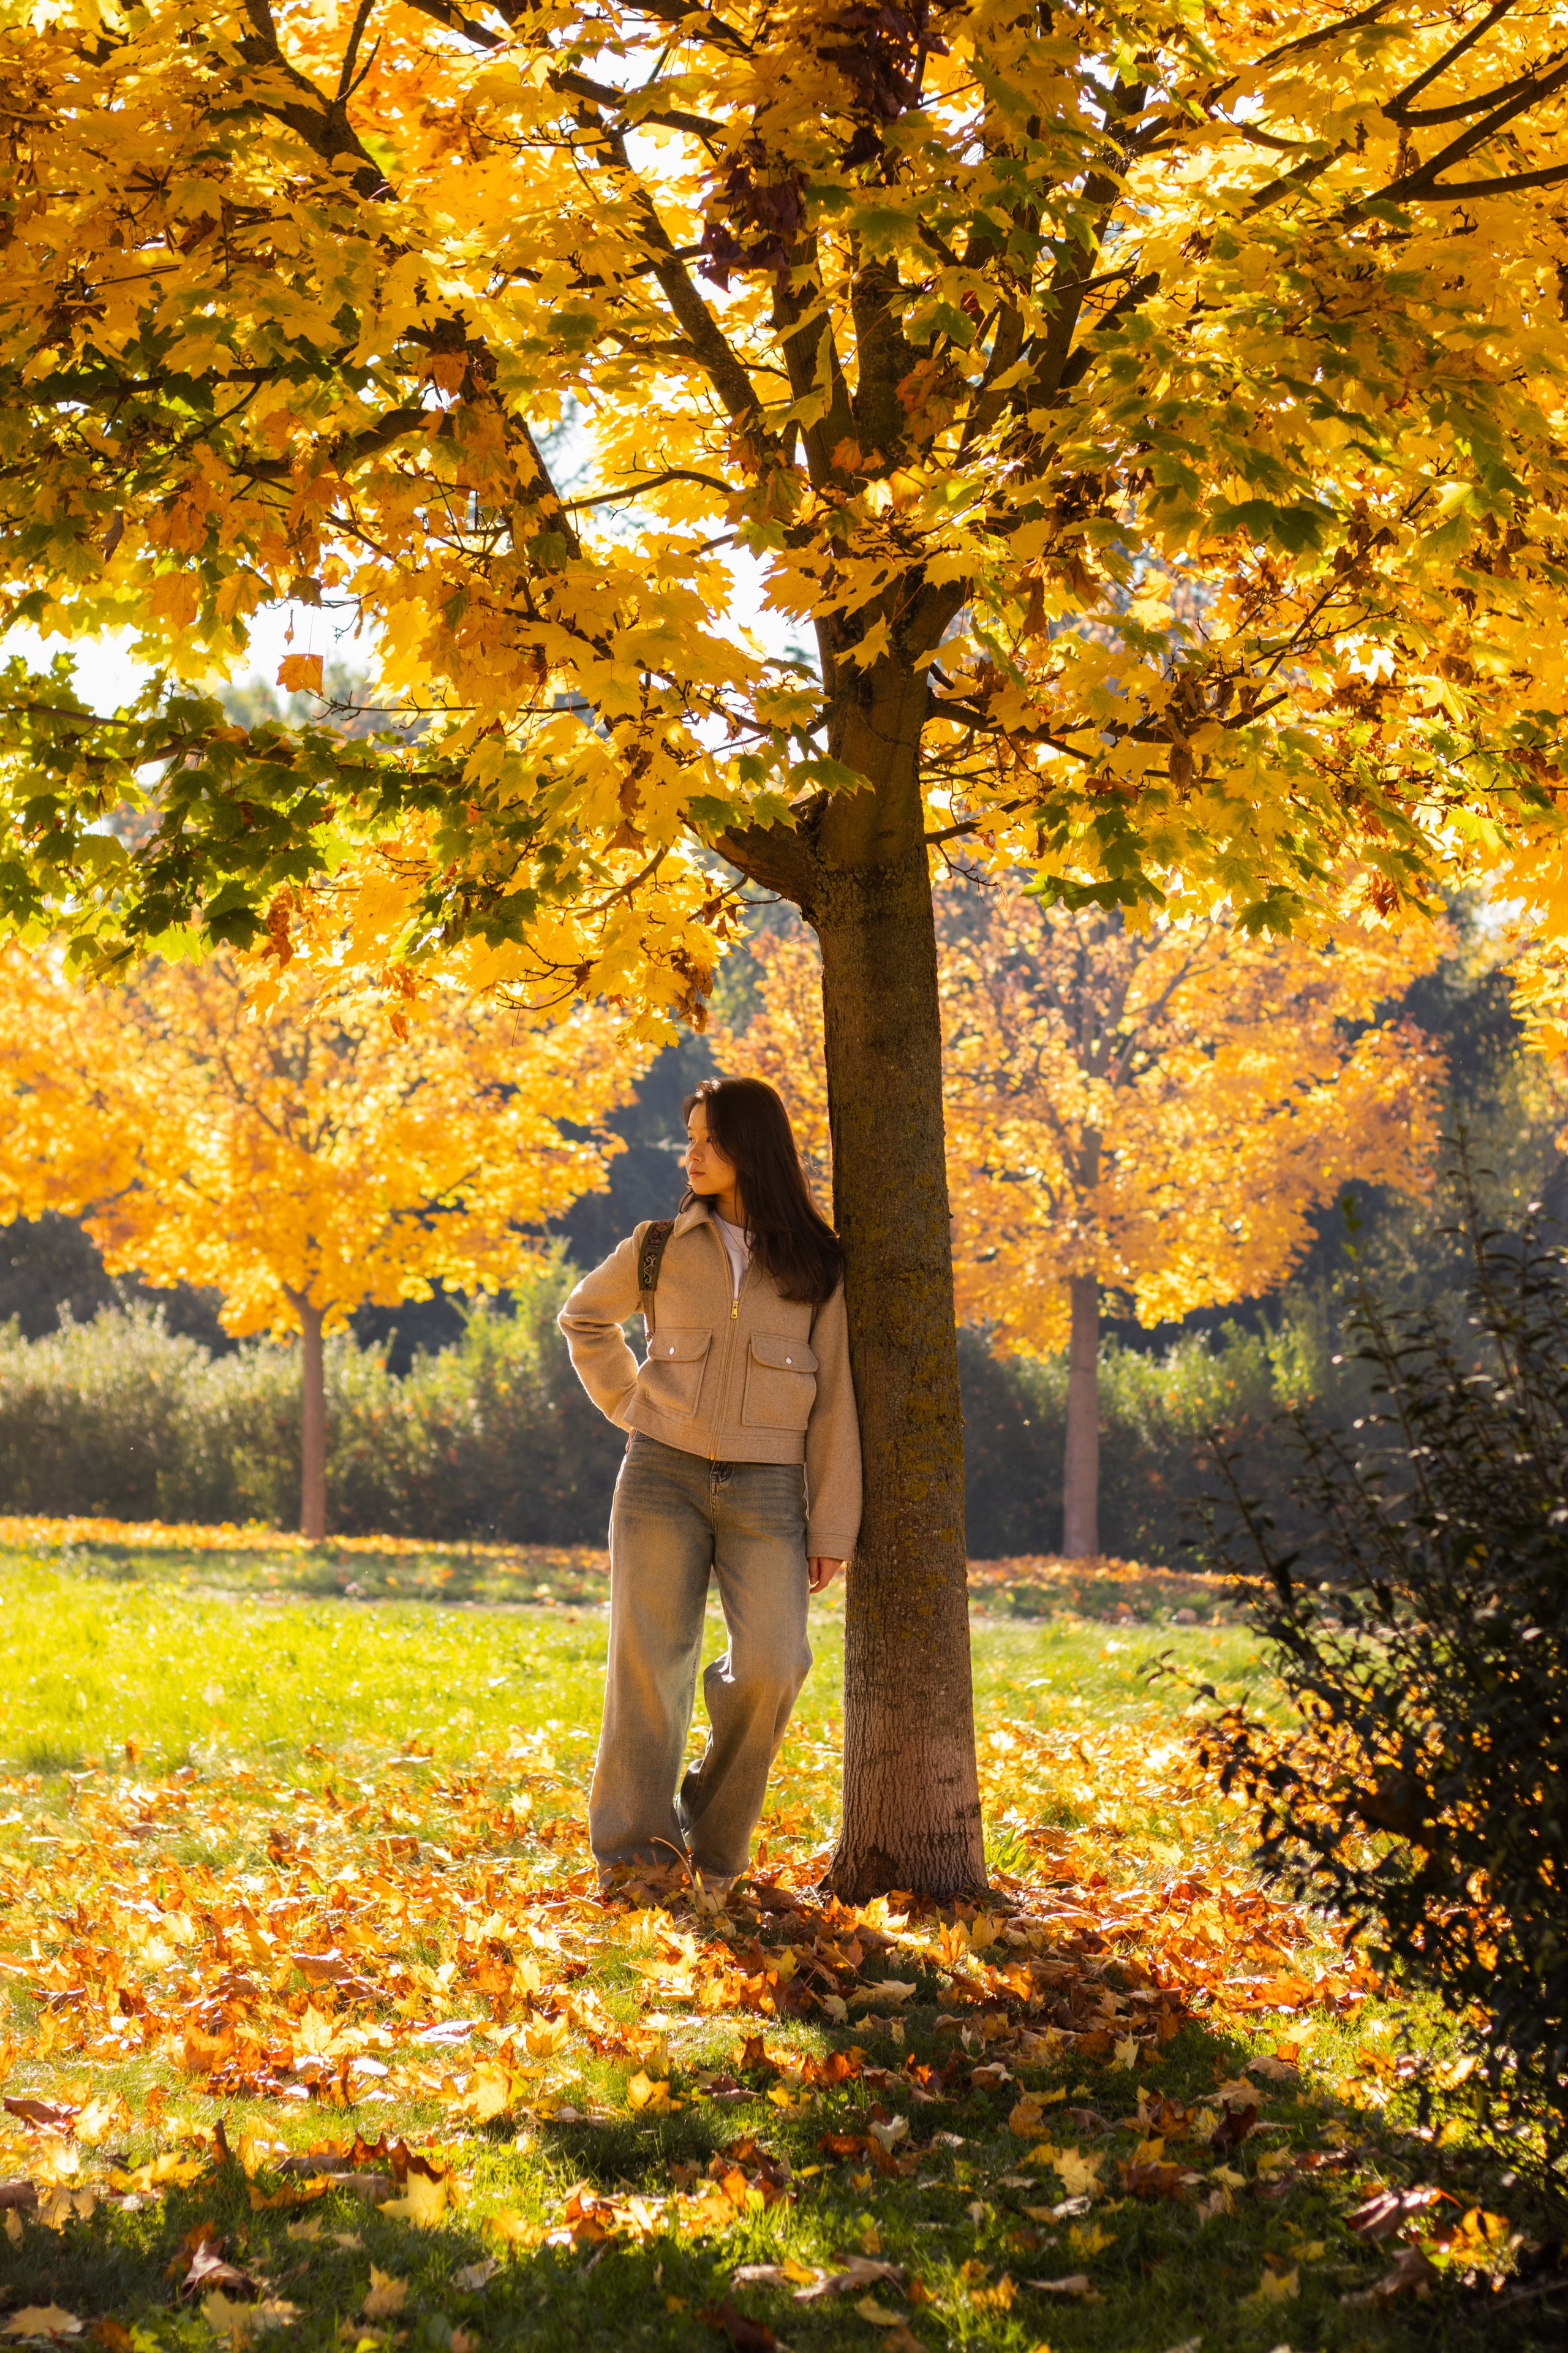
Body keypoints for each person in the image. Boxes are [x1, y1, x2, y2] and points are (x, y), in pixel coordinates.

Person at [558, 1075, 861, 1895]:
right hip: (660, 1475)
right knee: (648, 1665)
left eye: (709, 1140)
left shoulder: (818, 1262)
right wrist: (632, 1401)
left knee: (771, 1663)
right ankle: (633, 1856)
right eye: (688, 1137)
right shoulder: (659, 1244)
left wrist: (833, 1529)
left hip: (769, 1489)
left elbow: (835, 1401)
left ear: (750, 1149)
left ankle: (716, 1846)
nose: (690, 1153)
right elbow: (585, 1316)